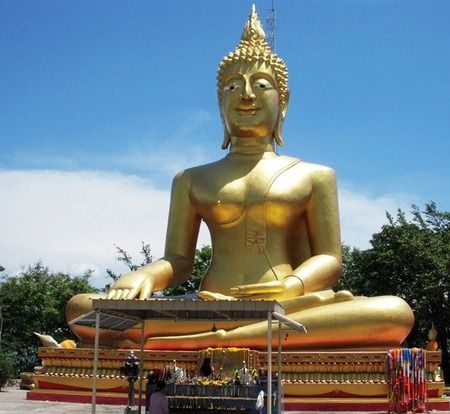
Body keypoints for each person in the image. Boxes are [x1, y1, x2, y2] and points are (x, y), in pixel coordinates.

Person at [66, 6, 414, 350]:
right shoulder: (191, 179)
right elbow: (179, 261)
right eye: (233, 87)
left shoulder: (314, 176)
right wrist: (146, 274)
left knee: (394, 313)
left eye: (261, 85)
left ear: (284, 102)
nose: (247, 95)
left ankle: (214, 339)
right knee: (80, 307)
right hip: (208, 305)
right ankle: (243, 334)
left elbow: (330, 259)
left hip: (287, 304)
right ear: (220, 105)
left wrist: (293, 285)